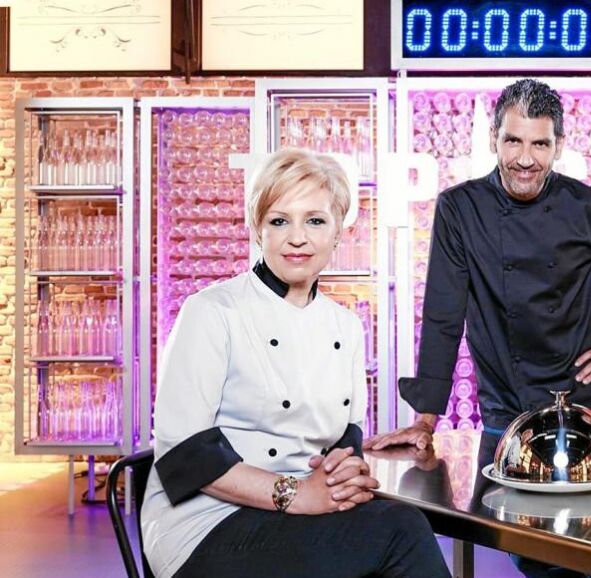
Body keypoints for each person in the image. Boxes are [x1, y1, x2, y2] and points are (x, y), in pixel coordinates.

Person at [366, 78, 591, 578]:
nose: (525, 159)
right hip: (504, 405)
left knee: (586, 544)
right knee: (521, 543)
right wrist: (425, 420)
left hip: (578, 408)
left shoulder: (590, 205)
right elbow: (444, 314)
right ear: (494, 139)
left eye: (540, 144)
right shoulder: (460, 208)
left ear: (559, 146)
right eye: (513, 141)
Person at [141, 148, 451, 578]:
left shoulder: (346, 326)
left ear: (338, 232)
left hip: (298, 519)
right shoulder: (212, 311)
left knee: (394, 526)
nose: (298, 238)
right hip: (206, 524)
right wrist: (298, 494)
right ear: (257, 229)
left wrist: (344, 474)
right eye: (279, 221)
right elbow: (185, 455)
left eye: (315, 221)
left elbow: (345, 436)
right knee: (401, 531)